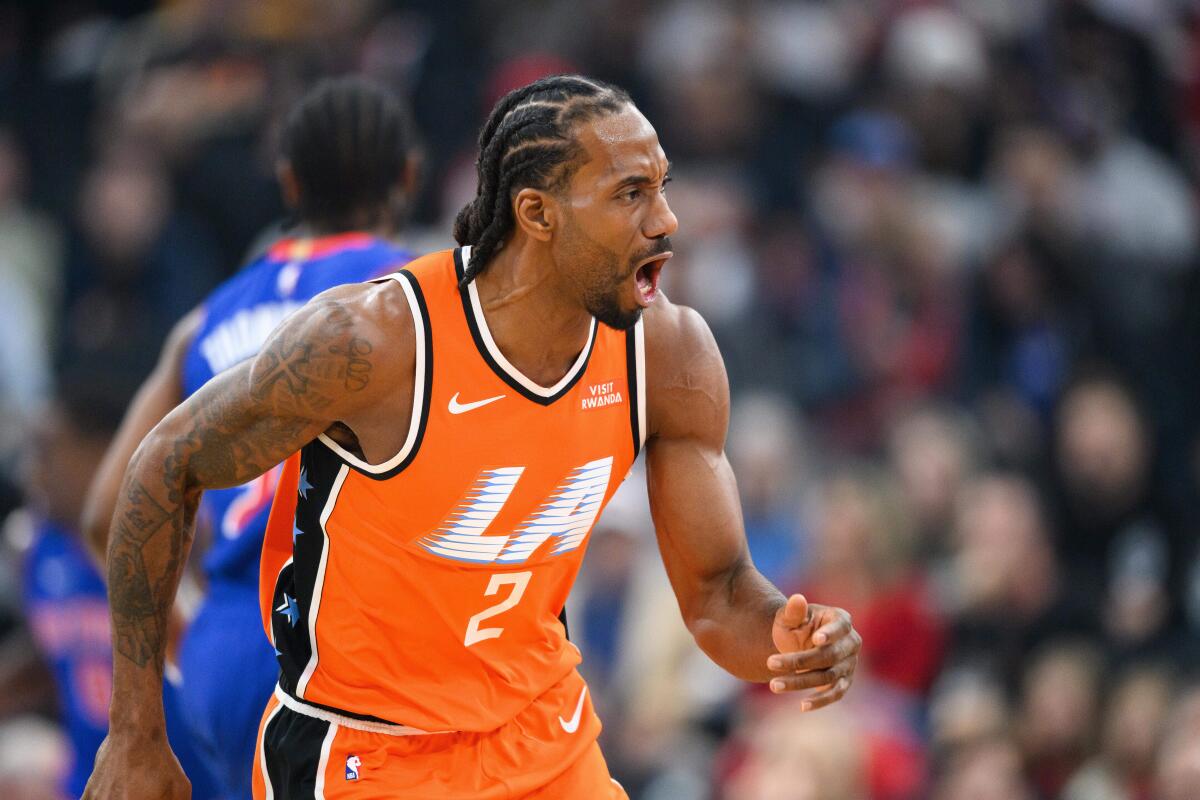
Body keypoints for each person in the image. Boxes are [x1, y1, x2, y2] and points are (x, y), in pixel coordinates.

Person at [84, 74, 861, 799]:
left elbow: (719, 595)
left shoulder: (669, 354)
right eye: (631, 193)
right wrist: (135, 731)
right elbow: (163, 466)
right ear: (537, 214)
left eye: (663, 187)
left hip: (541, 733)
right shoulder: (378, 343)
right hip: (369, 750)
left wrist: (786, 636)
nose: (665, 220)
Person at [79, 77, 421, 799]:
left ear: (288, 181)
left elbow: (106, 514)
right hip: (348, 638)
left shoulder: (203, 321)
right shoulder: (410, 297)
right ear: (409, 177)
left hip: (228, 640)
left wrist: (190, 635)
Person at [20, 372, 219, 798]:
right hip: (93, 779)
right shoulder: (36, 552)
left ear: (102, 452)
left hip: (192, 775)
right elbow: (46, 662)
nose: (33, 472)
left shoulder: (182, 540)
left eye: (48, 451)